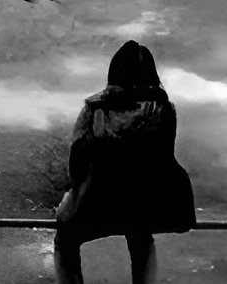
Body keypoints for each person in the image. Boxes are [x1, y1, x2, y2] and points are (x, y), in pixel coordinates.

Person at [54, 40, 195, 284]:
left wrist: (75, 192)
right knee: (141, 236)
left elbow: (77, 159)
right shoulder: (162, 109)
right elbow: (163, 156)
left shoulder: (95, 108)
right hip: (145, 202)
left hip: (98, 201)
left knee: (65, 239)